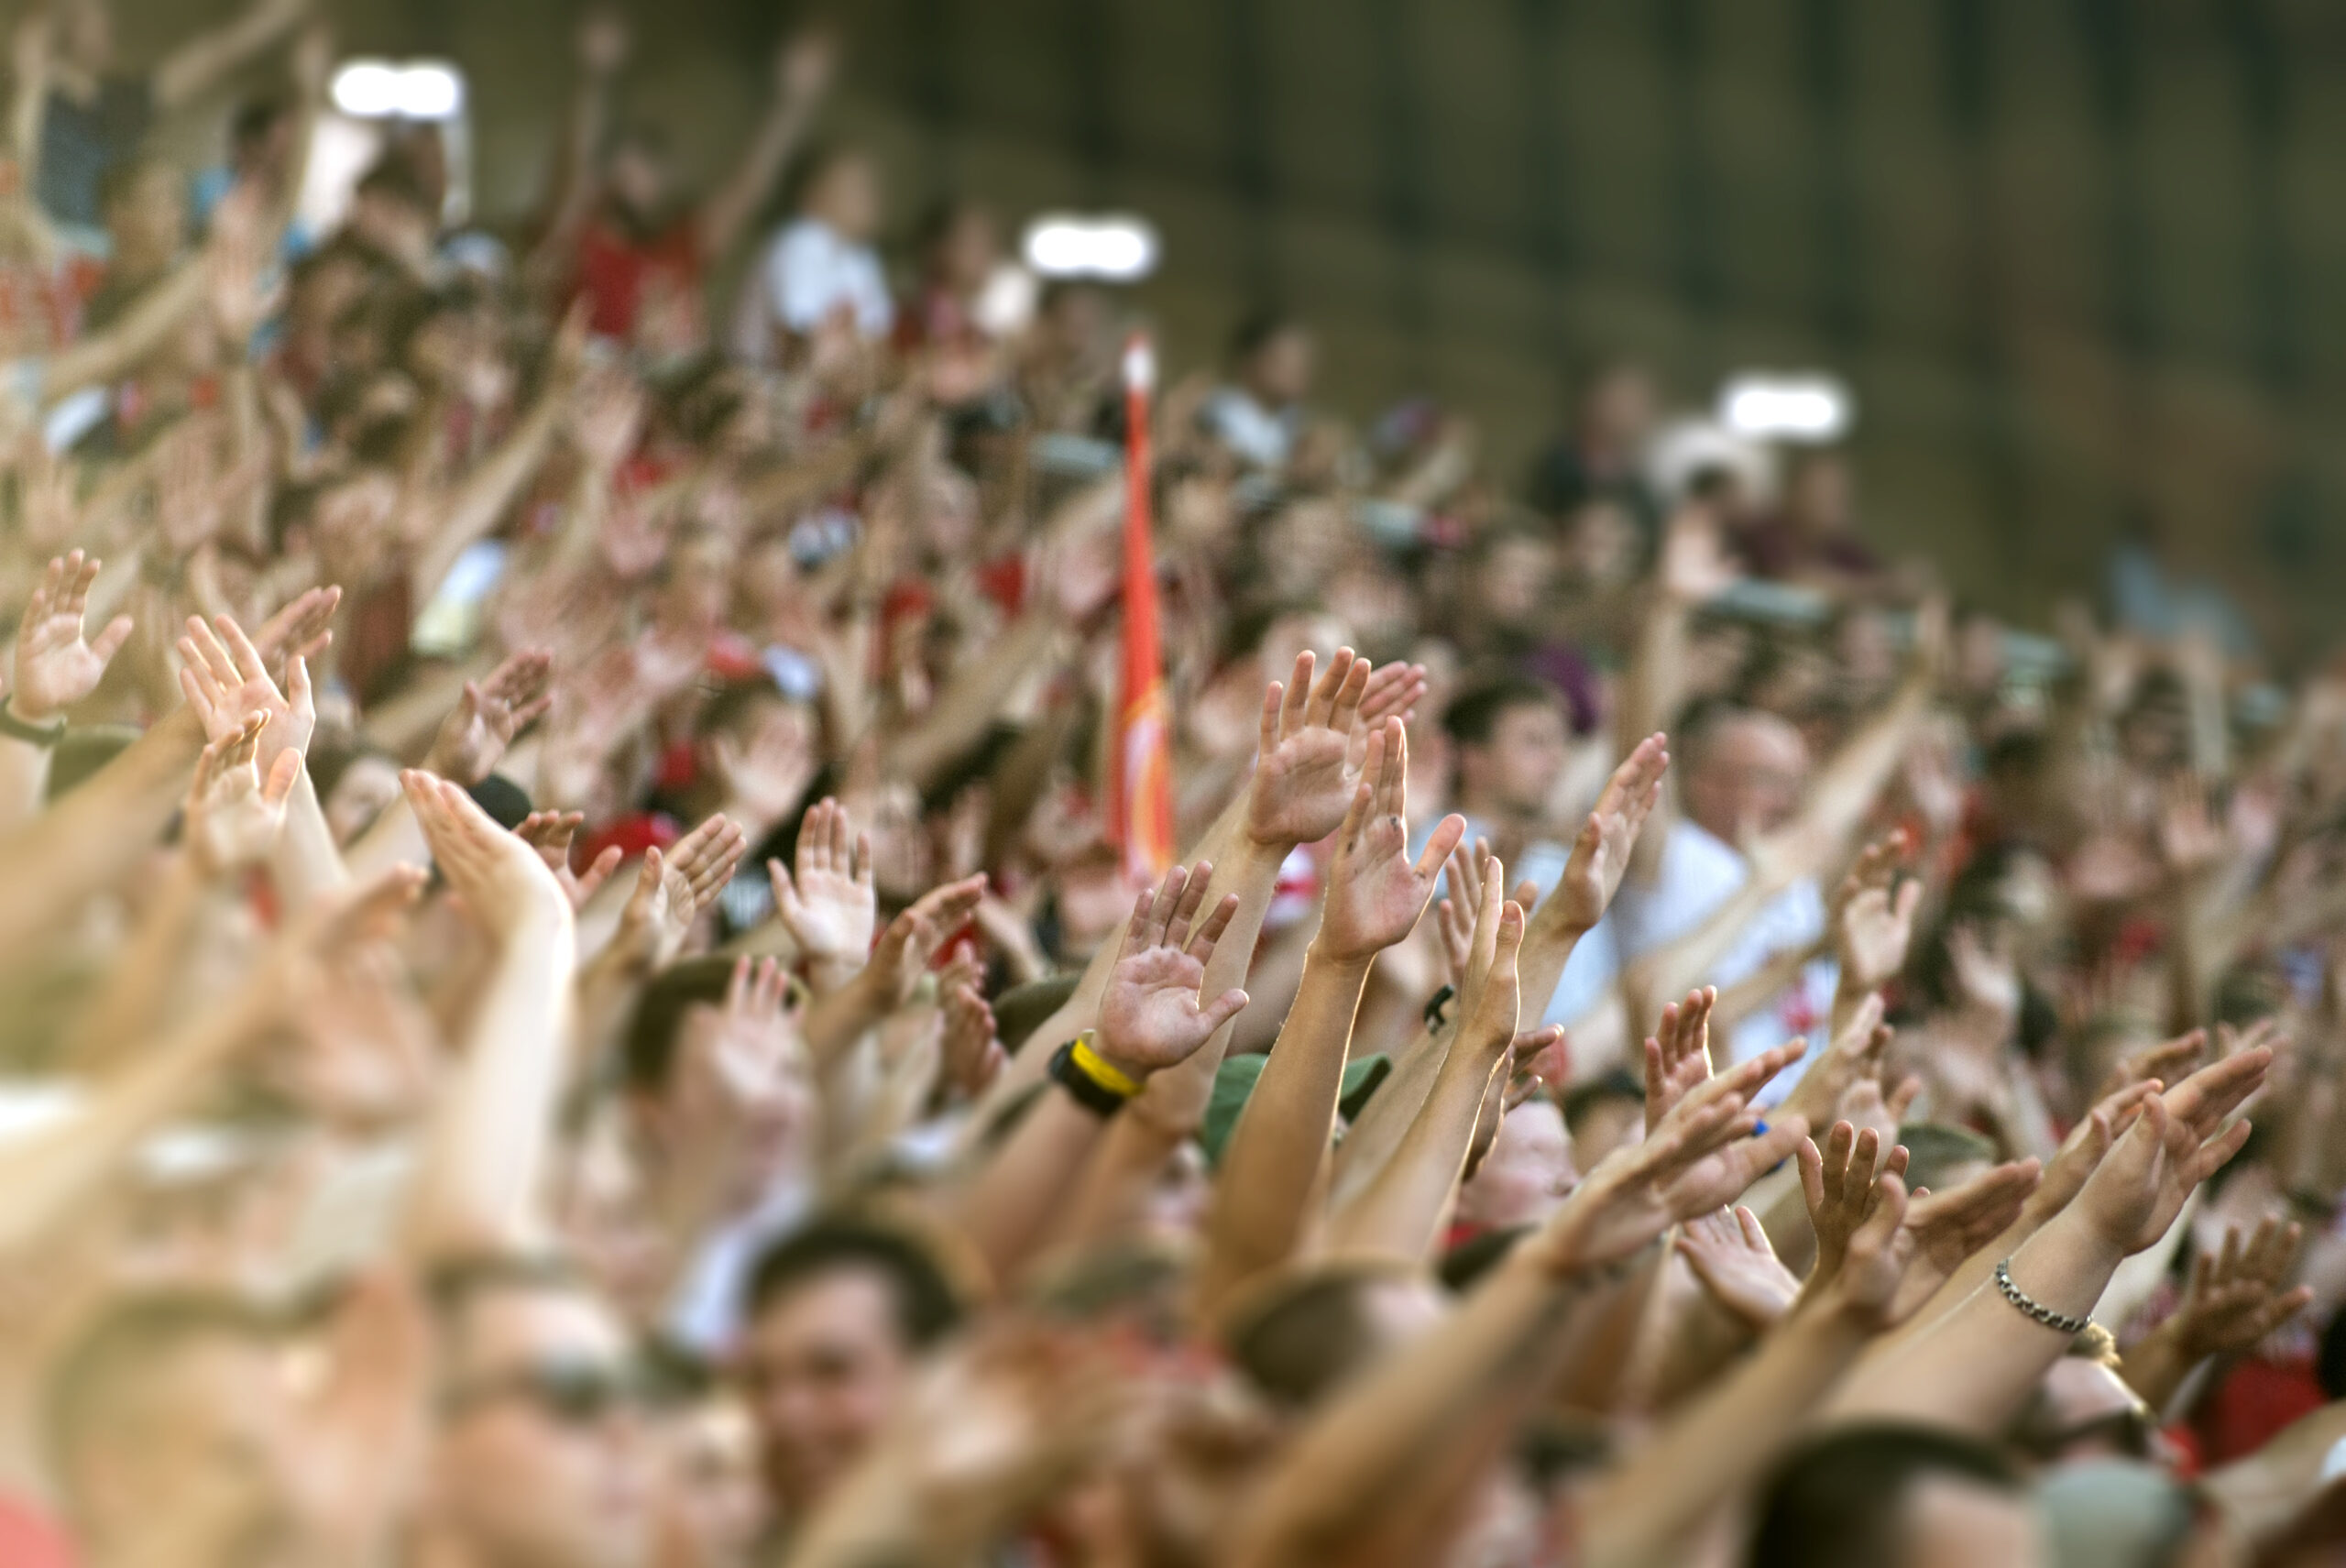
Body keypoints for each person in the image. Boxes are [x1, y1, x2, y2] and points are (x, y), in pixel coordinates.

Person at [18, 0, 308, 236]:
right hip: (36, 233)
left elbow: (209, 57)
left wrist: (274, 18)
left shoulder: (123, 101)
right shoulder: (39, 92)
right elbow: (32, 41)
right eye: (91, 13)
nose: (106, 23)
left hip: (98, 243)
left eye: (104, 15)